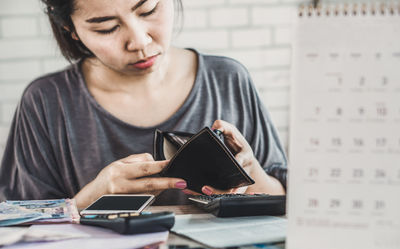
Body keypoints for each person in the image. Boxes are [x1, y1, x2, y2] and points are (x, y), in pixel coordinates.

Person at [0, 0, 287, 209]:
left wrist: (252, 175)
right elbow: (19, 230)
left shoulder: (228, 79)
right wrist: (87, 200)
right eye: (106, 28)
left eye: (149, 10)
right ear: (71, 30)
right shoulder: (46, 102)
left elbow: (287, 203)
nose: (139, 41)